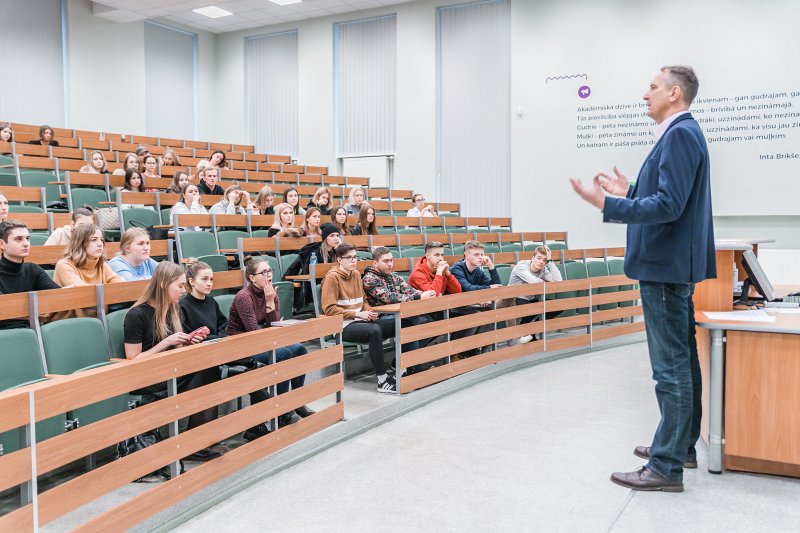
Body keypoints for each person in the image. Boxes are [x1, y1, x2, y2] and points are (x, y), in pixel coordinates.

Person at [569, 65, 714, 493]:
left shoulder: (681, 133)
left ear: (674, 92)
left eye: (652, 87)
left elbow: (669, 206)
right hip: (670, 265)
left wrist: (609, 203)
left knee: (670, 368)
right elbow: (668, 196)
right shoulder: (679, 133)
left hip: (664, 265)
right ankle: (681, 446)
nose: (644, 94)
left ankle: (666, 465)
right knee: (683, 361)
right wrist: (630, 189)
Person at [123, 261, 221, 458]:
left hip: (170, 370)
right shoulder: (136, 314)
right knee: (205, 374)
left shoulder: (172, 310)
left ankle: (197, 442)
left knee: (211, 369)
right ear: (163, 285)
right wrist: (167, 342)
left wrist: (187, 341)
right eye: (180, 286)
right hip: (146, 379)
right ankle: (193, 444)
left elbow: (173, 348)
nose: (183, 291)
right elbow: (132, 360)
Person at [227, 257, 313, 424]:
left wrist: (270, 303)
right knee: (284, 354)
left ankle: (296, 401)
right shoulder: (244, 297)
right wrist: (268, 303)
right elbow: (253, 332)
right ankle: (281, 409)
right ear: (252, 278)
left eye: (270, 271)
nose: (269, 275)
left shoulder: (271, 294)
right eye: (263, 272)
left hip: (263, 340)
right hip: (242, 347)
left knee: (300, 349)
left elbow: (273, 327)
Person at [321, 242, 397, 393]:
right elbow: (329, 309)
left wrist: (369, 312)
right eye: (348, 258)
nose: (353, 260)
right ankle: (382, 380)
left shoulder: (356, 274)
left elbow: (363, 301)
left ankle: (400, 367)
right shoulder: (332, 278)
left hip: (360, 320)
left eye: (355, 257)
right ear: (339, 260)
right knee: (374, 330)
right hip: (342, 325)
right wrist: (357, 314)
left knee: (397, 322)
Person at [362, 247, 437, 356]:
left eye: (391, 260)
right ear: (375, 263)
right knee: (412, 322)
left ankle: (402, 361)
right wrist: (418, 297)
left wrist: (425, 294)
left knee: (430, 322)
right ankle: (408, 364)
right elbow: (389, 297)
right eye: (385, 261)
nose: (390, 264)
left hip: (399, 313)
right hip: (379, 318)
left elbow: (409, 290)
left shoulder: (395, 277)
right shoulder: (369, 279)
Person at [52, 223, 124, 319]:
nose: (100, 244)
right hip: (69, 322)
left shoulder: (101, 264)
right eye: (94, 240)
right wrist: (108, 288)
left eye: (102, 240)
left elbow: (122, 285)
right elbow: (84, 292)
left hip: (97, 318)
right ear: (81, 243)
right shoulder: (64, 265)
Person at [0, 221, 59, 330]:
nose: (26, 243)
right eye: (18, 239)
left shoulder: (32, 269)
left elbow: (57, 296)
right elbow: (5, 309)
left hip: (31, 330)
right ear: (2, 244)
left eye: (27, 238)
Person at [507, 245, 563, 344]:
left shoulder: (543, 270)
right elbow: (533, 281)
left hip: (528, 301)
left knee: (557, 306)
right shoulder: (522, 265)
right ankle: (526, 331)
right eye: (539, 258)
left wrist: (551, 262)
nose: (541, 262)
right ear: (533, 258)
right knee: (533, 307)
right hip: (513, 300)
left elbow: (558, 281)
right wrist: (544, 282)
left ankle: (531, 328)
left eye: (545, 260)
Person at [283, 223, 341, 312]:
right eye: (332, 236)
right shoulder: (314, 253)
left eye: (337, 235)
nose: (336, 238)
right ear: (325, 238)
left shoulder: (337, 252)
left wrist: (340, 251)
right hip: (313, 287)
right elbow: (298, 269)